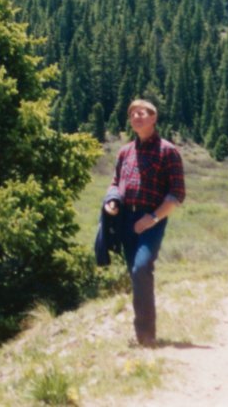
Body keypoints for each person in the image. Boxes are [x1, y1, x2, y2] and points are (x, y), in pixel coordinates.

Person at [100, 98, 185, 347]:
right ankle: (143, 336)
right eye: (133, 114)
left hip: (152, 219)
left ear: (153, 118)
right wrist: (112, 200)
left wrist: (153, 218)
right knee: (136, 274)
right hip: (127, 218)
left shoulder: (168, 151)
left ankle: (146, 336)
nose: (137, 117)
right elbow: (116, 182)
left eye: (142, 113)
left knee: (141, 268)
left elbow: (177, 194)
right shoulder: (125, 152)